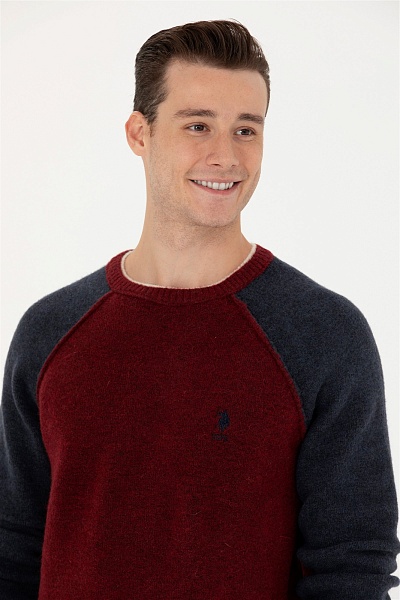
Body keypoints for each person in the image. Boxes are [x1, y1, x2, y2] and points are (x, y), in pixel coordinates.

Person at [0, 19, 398, 600]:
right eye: (197, 125)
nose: (225, 156)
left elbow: (351, 566)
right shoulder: (50, 332)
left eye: (246, 129)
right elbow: (14, 550)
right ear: (140, 133)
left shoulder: (324, 334)